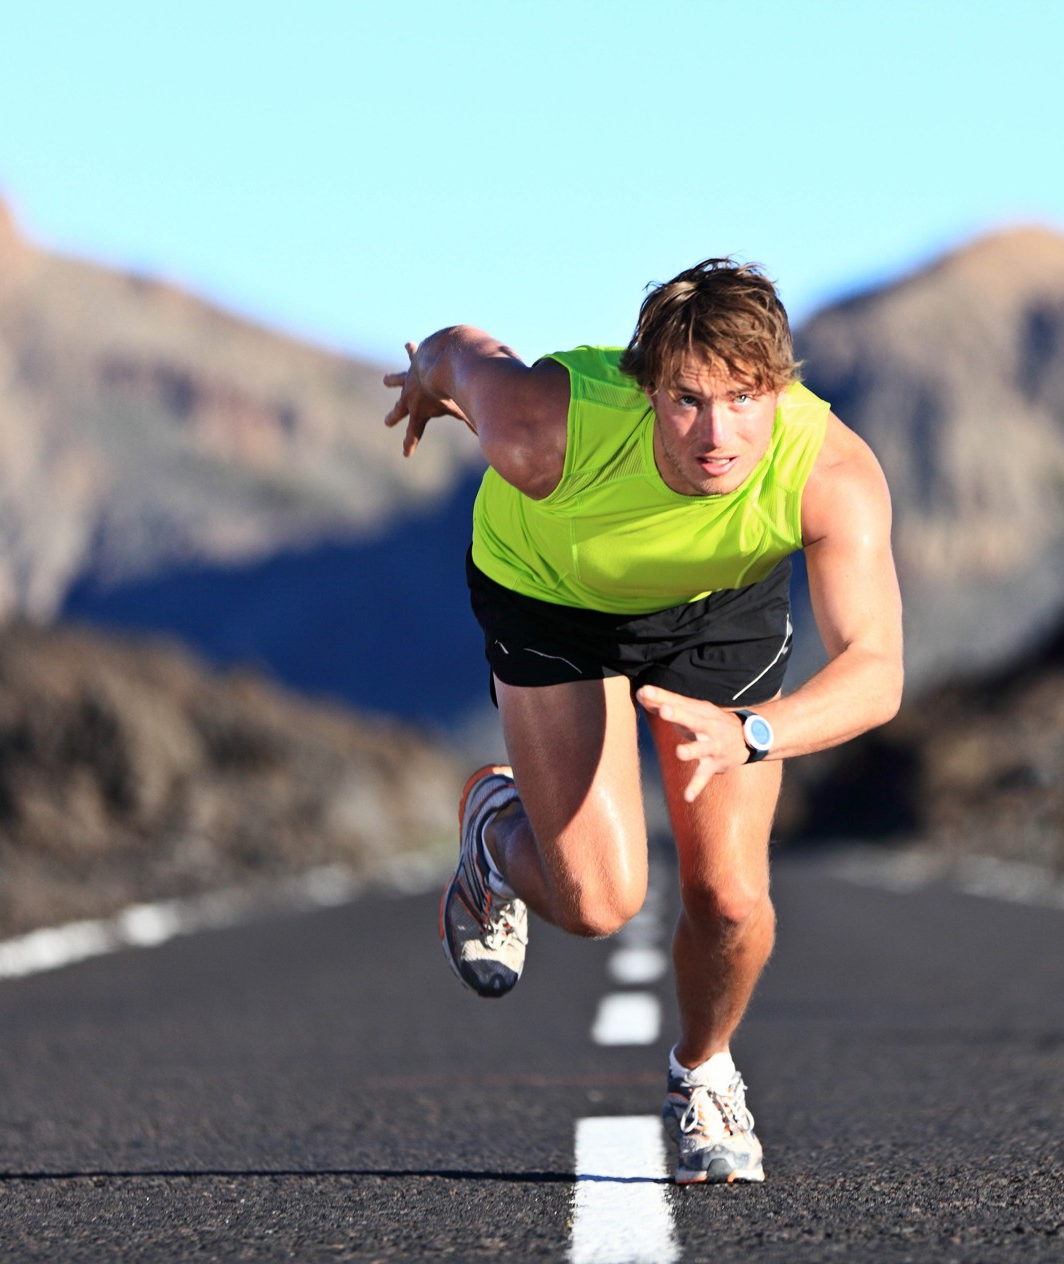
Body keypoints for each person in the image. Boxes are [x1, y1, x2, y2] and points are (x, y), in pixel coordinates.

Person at [382, 258, 902, 1185]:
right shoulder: (546, 429)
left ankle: (704, 1073)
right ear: (645, 387)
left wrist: (755, 733)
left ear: (780, 391)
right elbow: (466, 359)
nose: (718, 434)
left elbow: (877, 671)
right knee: (597, 904)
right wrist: (427, 381)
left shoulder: (829, 471)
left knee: (732, 897)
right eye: (689, 400)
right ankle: (498, 833)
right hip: (548, 594)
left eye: (744, 400)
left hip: (720, 610)